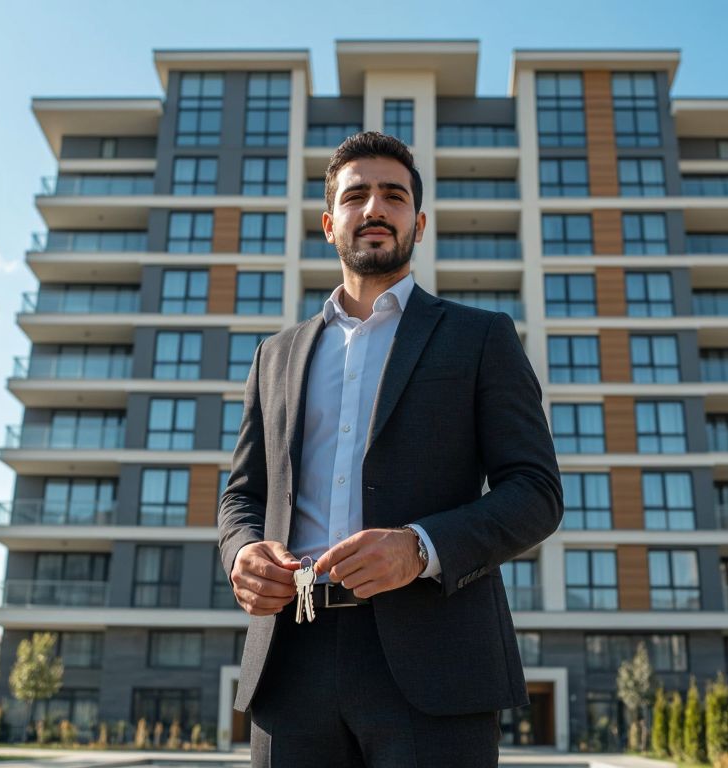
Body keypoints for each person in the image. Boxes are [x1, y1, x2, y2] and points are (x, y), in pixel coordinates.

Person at [218, 131, 563, 767]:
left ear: (419, 223)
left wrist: (421, 548)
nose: (375, 208)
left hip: (437, 661)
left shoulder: (481, 337)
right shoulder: (276, 355)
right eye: (357, 196)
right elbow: (243, 494)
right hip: (291, 658)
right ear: (329, 222)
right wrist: (241, 553)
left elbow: (536, 493)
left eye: (394, 195)